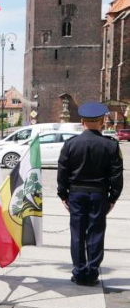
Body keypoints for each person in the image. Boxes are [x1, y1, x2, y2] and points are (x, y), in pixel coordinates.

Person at [57, 102, 123, 286]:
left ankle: (79, 272)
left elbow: (62, 172)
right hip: (99, 195)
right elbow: (116, 175)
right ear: (102, 121)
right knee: (96, 233)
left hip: (76, 195)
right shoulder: (110, 146)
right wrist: (113, 198)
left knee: (77, 233)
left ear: (82, 121)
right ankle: (92, 272)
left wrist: (63, 195)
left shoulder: (71, 144)